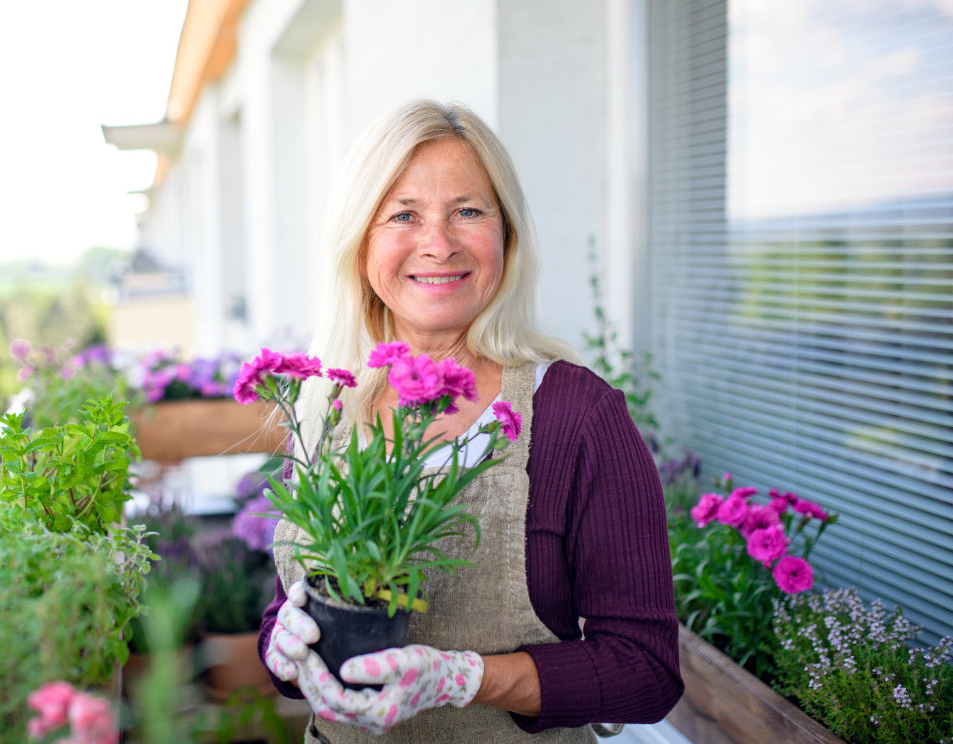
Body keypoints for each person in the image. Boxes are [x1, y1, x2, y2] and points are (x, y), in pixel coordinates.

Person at [256, 99, 683, 742]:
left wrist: (463, 677)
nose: (439, 244)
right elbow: (299, 603)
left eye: (468, 211)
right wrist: (282, 643)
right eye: (404, 214)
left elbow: (645, 670)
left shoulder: (577, 415)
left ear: (506, 235)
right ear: (361, 241)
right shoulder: (324, 404)